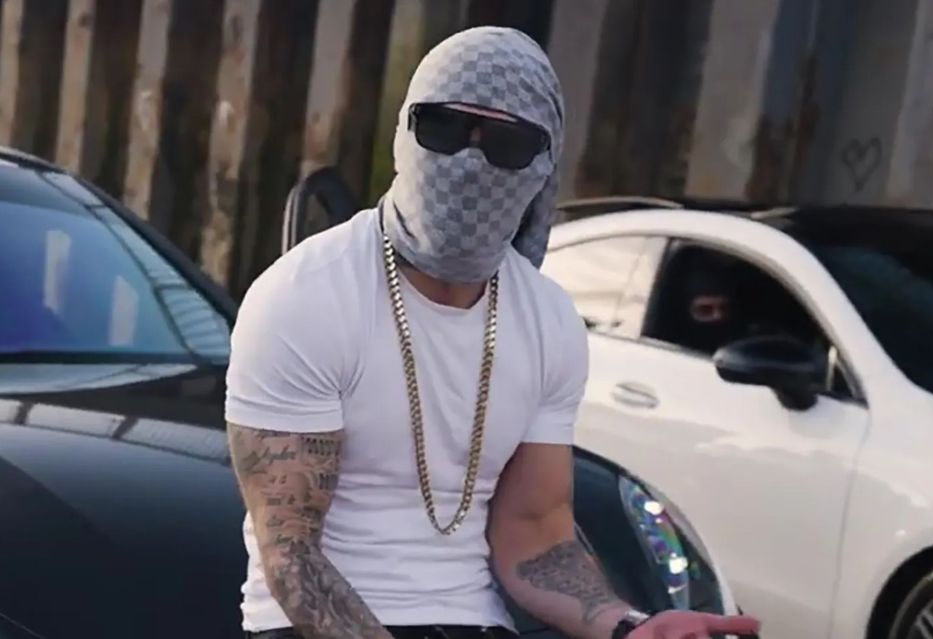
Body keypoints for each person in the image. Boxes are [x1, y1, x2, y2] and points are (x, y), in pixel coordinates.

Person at [224, 26, 761, 639]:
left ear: (543, 166)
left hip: (474, 622)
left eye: (506, 142)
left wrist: (627, 627)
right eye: (444, 129)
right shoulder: (305, 295)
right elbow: (291, 557)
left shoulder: (547, 319)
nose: (469, 161)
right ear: (405, 132)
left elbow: (534, 530)